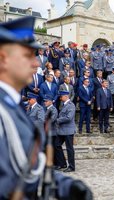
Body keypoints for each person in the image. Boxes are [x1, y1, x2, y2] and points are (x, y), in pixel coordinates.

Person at [0, 16, 92, 199]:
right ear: (4, 59)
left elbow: (27, 167)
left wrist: (65, 186)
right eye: (28, 56)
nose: (36, 64)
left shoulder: (13, 105)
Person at [55, 90, 77, 172]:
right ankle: (62, 163)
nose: (60, 98)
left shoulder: (71, 105)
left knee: (69, 149)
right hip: (62, 130)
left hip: (68, 130)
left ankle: (71, 166)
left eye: (61, 97)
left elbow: (69, 117)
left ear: (65, 96)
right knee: (56, 145)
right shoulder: (64, 105)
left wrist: (57, 120)